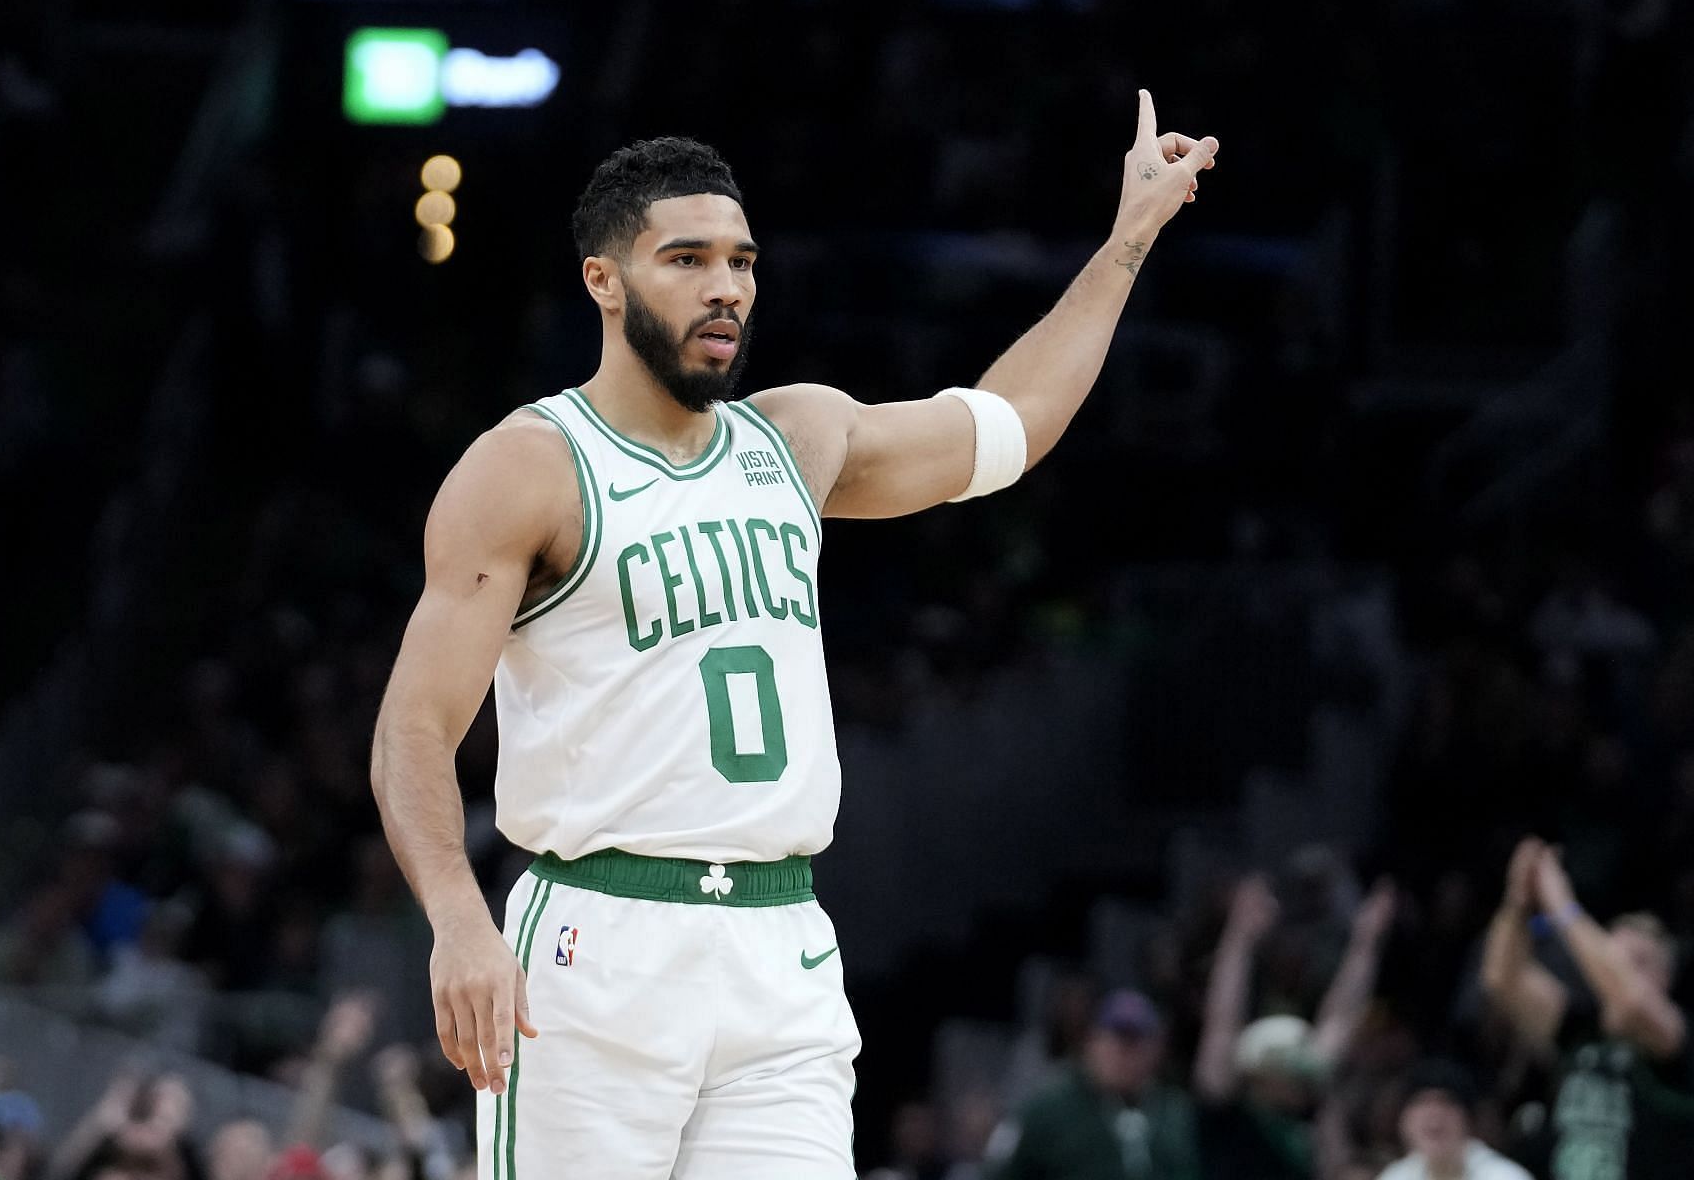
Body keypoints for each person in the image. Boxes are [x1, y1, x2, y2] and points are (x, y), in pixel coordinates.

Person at [370, 96, 1220, 1177]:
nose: (726, 285)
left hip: (782, 942)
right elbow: (413, 728)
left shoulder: (798, 434)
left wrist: (1127, 240)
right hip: (598, 940)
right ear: (605, 279)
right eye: (687, 258)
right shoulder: (530, 464)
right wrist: (458, 918)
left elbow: (1010, 423)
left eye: (742, 260)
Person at [1479, 837, 1694, 1180]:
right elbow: (1502, 980)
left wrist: (1563, 906)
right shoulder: (1582, 1029)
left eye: (1638, 962)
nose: (1616, 970)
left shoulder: (1677, 1040)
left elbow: (1632, 1002)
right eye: (1610, 959)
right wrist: (1518, 901)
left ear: (1665, 978)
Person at [1191, 875, 1394, 1179]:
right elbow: (1222, 1022)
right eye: (1278, 1064)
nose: (1290, 1074)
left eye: (1296, 1066)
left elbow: (1341, 1018)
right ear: (1254, 1072)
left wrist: (1365, 943)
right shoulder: (1226, 1110)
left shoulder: (1313, 1115)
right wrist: (1238, 941)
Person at [986, 989, 1200, 1180]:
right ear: (1092, 1042)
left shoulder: (1176, 1112)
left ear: (1156, 1050)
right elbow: (999, 1170)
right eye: (1115, 1041)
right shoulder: (1046, 1109)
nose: (1122, 1055)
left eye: (1135, 1044)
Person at [1376, 1059, 1529, 1180]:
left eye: (1446, 1103)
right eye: (1422, 1103)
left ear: (1468, 1120)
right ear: (1404, 1121)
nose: (1434, 1115)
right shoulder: (1396, 1176)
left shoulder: (1504, 1176)